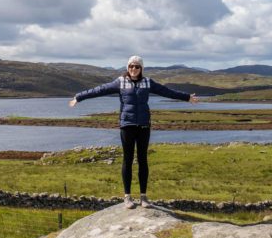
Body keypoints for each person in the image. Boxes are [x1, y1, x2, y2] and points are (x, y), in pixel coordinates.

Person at [69, 55, 197, 209]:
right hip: (127, 125)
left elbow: (166, 91)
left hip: (143, 125)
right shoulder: (120, 82)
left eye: (137, 66)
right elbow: (99, 90)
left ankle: (143, 197)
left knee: (143, 160)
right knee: (127, 160)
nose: (133, 69)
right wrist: (79, 97)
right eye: (131, 66)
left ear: (141, 68)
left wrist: (187, 97)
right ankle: (127, 197)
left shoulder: (148, 82)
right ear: (127, 67)